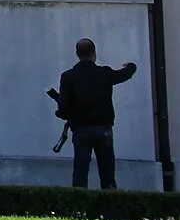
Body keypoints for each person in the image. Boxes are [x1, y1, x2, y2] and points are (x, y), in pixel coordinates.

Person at [46, 38, 138, 189]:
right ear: (94, 53)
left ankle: (80, 209)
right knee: (107, 173)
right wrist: (131, 65)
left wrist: (61, 113)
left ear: (77, 54)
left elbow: (63, 107)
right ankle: (110, 207)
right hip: (104, 129)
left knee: (80, 173)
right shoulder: (104, 74)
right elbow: (125, 74)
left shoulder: (68, 77)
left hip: (81, 129)